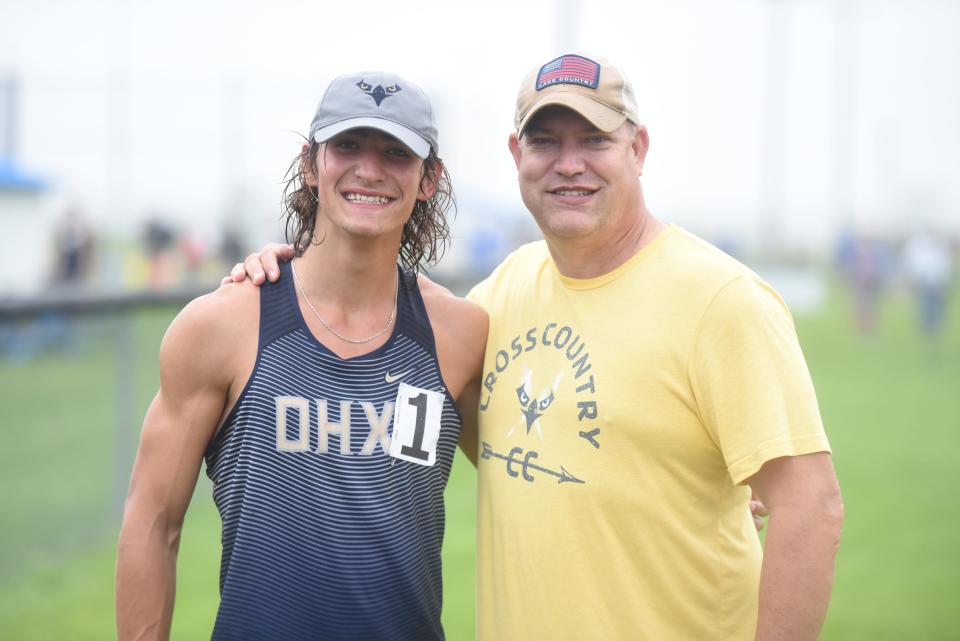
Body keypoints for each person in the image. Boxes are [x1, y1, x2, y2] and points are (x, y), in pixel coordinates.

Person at [234, 53, 842, 641]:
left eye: (595, 140)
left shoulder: (721, 300)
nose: (568, 163)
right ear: (516, 154)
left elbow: (810, 509)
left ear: (639, 149)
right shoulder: (499, 296)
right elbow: (479, 441)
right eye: (546, 141)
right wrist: (288, 273)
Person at [115, 71, 487, 641]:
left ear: (429, 178)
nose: (370, 169)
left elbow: (530, 483)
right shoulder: (221, 324)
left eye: (396, 152)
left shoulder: (460, 335)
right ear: (311, 164)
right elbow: (152, 523)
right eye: (348, 146)